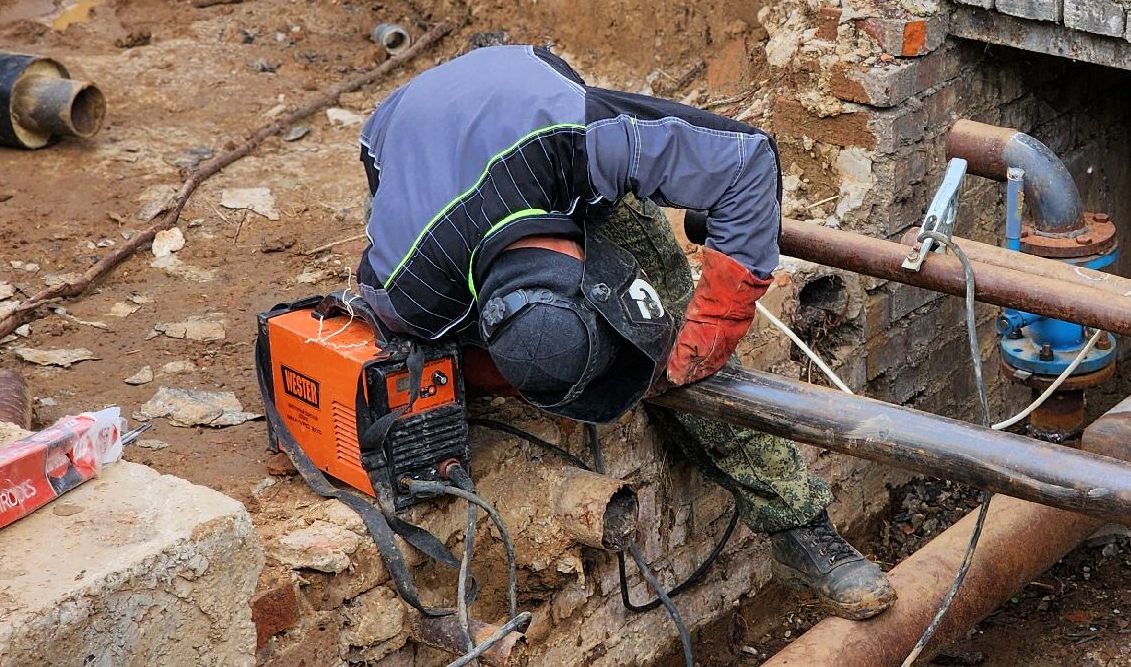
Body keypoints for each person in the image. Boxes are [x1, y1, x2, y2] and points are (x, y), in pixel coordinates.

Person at [354, 43, 895, 619]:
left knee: (670, 306)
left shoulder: (590, 142)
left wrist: (718, 318)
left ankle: (798, 525)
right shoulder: (406, 294)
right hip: (394, 133)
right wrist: (525, 372)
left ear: (586, 257)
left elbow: (747, 162)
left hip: (520, 105)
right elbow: (452, 364)